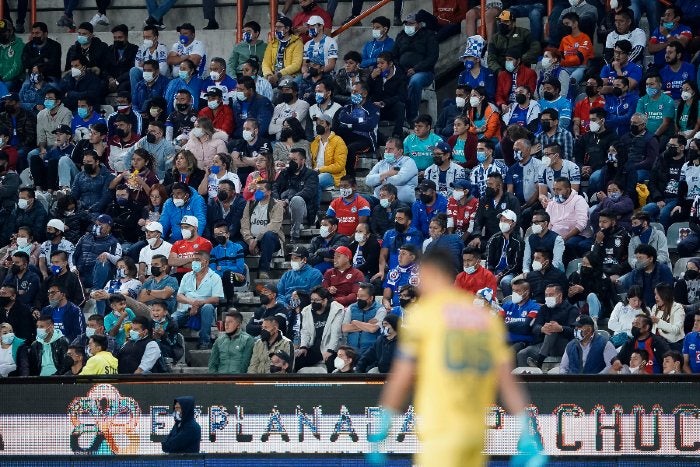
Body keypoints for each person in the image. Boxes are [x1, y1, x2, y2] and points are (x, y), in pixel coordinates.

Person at [374, 248, 545, 466]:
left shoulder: (425, 314)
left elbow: (402, 376)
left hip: (441, 428)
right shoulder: (485, 319)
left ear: (430, 273)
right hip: (475, 432)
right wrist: (526, 429)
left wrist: (384, 424)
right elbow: (506, 381)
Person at [516, 283, 579, 368]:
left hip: (562, 344)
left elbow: (574, 331)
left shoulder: (572, 310)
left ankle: (539, 361)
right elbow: (535, 327)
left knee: (553, 330)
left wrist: (560, 328)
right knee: (522, 353)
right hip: (542, 344)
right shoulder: (543, 309)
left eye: (551, 295)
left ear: (560, 296)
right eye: (546, 295)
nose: (548, 297)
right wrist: (542, 329)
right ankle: (526, 380)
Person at [391, 13, 439, 122]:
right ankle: (394, 118)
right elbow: (393, 56)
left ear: (419, 24)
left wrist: (415, 69)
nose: (408, 26)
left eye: (411, 23)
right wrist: (400, 69)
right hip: (402, 71)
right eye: (406, 23)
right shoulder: (401, 36)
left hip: (423, 72)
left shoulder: (429, 36)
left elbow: (432, 57)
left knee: (415, 81)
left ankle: (411, 117)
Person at [174, 251, 223, 350]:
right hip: (186, 309)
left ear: (206, 262)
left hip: (203, 309)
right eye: (193, 260)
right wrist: (192, 303)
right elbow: (179, 296)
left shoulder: (215, 277)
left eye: (197, 260)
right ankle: (172, 344)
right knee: (171, 319)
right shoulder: (187, 276)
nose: (194, 263)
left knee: (208, 307)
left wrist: (199, 303)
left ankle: (204, 342)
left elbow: (216, 298)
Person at [240, 180, 285, 279]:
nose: (257, 192)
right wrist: (250, 240)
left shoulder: (277, 205)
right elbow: (244, 223)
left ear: (269, 192)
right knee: (238, 248)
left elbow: (274, 226)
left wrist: (256, 240)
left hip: (270, 241)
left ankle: (263, 270)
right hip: (251, 240)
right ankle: (239, 275)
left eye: (261, 189)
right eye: (256, 189)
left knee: (269, 235)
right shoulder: (250, 203)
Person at [296, 286, 345, 372]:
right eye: (312, 300)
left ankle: (332, 384)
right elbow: (305, 331)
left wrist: (330, 350)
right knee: (298, 360)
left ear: (325, 300)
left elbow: (335, 333)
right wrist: (303, 346)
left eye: (317, 300)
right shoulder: (306, 311)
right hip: (314, 347)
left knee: (331, 362)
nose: (313, 302)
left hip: (331, 346)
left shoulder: (337, 309)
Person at [273, 148, 319, 242]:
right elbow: (274, 187)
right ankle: (274, 237)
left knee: (296, 199)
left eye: (294, 160)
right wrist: (278, 201)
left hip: (303, 208)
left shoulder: (311, 174)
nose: (291, 162)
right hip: (283, 206)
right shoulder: (285, 172)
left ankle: (295, 235)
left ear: (303, 160)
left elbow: (308, 192)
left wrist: (287, 201)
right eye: (290, 160)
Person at [469, 172, 521, 249]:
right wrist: (477, 236)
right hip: (489, 239)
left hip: (508, 238)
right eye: (487, 185)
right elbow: (478, 220)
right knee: (471, 248)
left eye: (491, 185)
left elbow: (516, 222)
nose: (488, 187)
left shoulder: (512, 200)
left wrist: (507, 238)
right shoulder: (484, 200)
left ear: (499, 185)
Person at [567, 252, 617, 323]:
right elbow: (570, 301)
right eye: (583, 263)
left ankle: (593, 323)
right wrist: (570, 295)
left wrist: (583, 291)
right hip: (579, 308)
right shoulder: (576, 275)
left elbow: (602, 297)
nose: (584, 266)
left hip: (598, 309)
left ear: (594, 265)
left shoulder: (603, 278)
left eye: (587, 264)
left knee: (591, 296)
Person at [366, 138, 418, 204]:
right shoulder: (381, 163)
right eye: (386, 149)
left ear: (400, 151)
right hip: (380, 201)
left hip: (401, 202)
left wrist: (380, 180)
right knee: (362, 198)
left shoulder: (408, 162)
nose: (387, 151)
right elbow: (368, 180)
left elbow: (400, 179)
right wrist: (387, 174)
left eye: (391, 149)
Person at [485, 210, 523, 296]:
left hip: (511, 273)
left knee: (505, 282)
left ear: (513, 223)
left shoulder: (518, 241)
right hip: (494, 271)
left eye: (506, 220)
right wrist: (490, 274)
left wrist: (500, 275)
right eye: (501, 220)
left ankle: (508, 304)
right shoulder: (494, 238)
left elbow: (515, 264)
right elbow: (488, 259)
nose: (502, 223)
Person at [209, 222, 246, 303]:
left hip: (237, 278)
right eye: (216, 234)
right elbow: (212, 271)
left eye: (220, 233)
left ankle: (229, 301)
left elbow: (240, 269)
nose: (218, 236)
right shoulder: (214, 251)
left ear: (228, 234)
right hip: (220, 278)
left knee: (228, 275)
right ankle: (230, 302)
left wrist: (222, 268)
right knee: (227, 275)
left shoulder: (238, 248)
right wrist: (227, 273)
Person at [262, 16, 303, 86]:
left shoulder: (297, 43)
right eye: (276, 27)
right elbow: (265, 63)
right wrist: (268, 75)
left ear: (287, 28)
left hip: (289, 75)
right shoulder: (272, 44)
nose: (276, 29)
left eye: (279, 27)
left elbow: (296, 65)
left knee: (280, 89)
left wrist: (279, 74)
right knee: (261, 85)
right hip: (272, 75)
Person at [310, 113, 347, 189]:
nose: (318, 125)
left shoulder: (338, 141)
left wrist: (320, 170)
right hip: (315, 173)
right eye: (317, 123)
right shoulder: (314, 143)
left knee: (315, 182)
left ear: (329, 125)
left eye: (321, 123)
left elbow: (339, 165)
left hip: (332, 175)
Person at [590, 207, 630, 278]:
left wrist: (619, 270)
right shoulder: (598, 235)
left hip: (619, 272)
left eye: (604, 222)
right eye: (600, 222)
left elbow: (630, 257)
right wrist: (597, 243)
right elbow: (593, 258)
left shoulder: (624, 235)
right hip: (601, 272)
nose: (601, 225)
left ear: (613, 222)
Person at [651, 282, 685, 352]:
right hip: (657, 344)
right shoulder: (655, 307)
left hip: (673, 345)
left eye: (658, 294)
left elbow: (676, 330)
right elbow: (653, 329)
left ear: (665, 294)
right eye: (655, 294)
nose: (656, 297)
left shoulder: (677, 308)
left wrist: (658, 321)